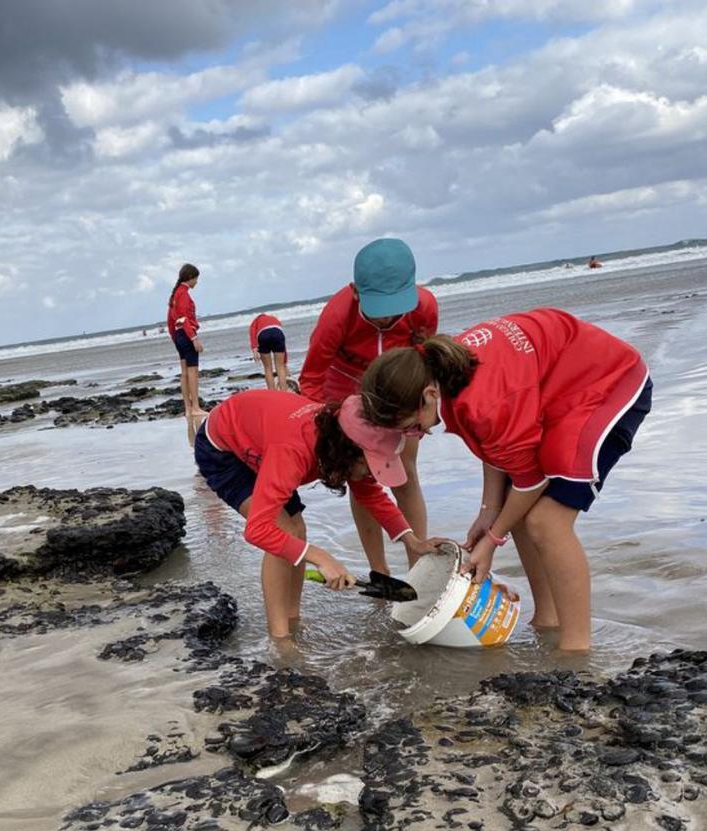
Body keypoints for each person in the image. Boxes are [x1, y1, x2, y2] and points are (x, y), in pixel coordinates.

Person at [358, 308, 652, 652]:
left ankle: (576, 649)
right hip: (558, 387)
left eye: (410, 425)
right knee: (517, 512)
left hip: (609, 386)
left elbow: (530, 480)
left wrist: (492, 540)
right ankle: (548, 618)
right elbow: (497, 446)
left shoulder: (483, 401)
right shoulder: (445, 369)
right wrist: (490, 508)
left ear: (428, 396)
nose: (414, 435)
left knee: (546, 522)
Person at [195, 389, 439, 639]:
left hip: (264, 441)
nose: (373, 474)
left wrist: (413, 541)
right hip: (223, 449)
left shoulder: (349, 443)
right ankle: (280, 638)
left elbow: (372, 496)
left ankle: (293, 618)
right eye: (372, 467)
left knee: (297, 531)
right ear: (349, 452)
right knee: (284, 531)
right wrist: (322, 558)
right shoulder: (294, 451)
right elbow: (257, 530)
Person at [299, 237, 439, 576]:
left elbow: (424, 360)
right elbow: (311, 378)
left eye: (395, 308)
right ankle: (380, 571)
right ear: (356, 291)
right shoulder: (337, 315)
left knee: (404, 473)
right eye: (379, 310)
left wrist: (420, 412)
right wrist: (324, 429)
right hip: (345, 388)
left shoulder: (424, 307)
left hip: (395, 387)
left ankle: (418, 566)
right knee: (362, 477)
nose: (388, 318)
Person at [166, 263, 204, 421]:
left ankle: (188, 408)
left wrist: (175, 339)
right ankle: (195, 407)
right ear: (190, 277)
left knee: (184, 373)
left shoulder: (175, 295)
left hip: (179, 336)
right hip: (187, 334)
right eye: (196, 279)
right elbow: (183, 318)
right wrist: (193, 338)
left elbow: (170, 320)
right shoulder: (183, 294)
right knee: (192, 372)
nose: (196, 282)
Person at [249, 313, 289, 391]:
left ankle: (272, 392)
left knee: (268, 368)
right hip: (278, 333)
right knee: (280, 367)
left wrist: (254, 348)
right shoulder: (275, 320)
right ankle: (284, 392)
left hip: (263, 335)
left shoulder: (256, 320)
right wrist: (285, 362)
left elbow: (252, 332)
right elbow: (284, 347)